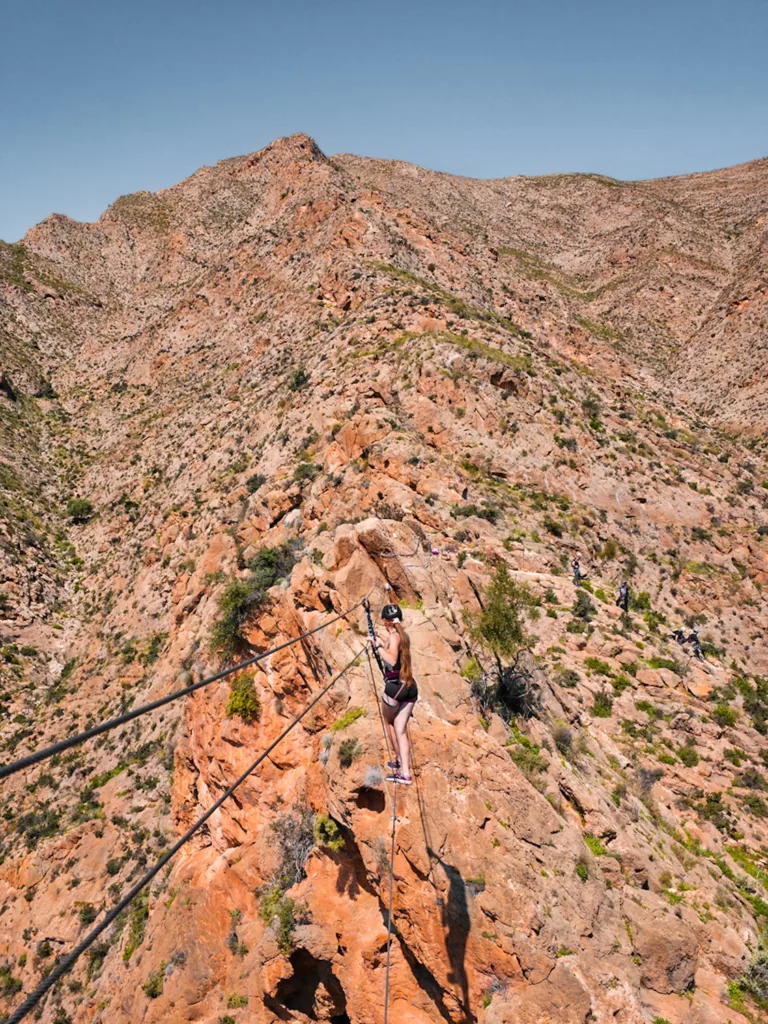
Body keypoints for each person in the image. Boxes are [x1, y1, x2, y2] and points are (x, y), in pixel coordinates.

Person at [373, 604, 418, 786]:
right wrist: (381, 639)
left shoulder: (393, 636)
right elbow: (395, 645)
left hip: (395, 688)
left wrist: (377, 646)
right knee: (401, 729)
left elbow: (391, 659)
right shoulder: (403, 636)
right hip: (410, 687)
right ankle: (405, 773)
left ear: (387, 621)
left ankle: (399, 760)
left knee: (389, 723)